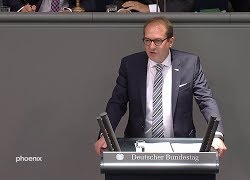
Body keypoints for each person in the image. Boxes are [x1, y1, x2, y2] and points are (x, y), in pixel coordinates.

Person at [94, 16, 227, 157]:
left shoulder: (190, 63)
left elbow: (206, 100)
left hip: (180, 146)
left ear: (170, 41)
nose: (151, 46)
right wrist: (105, 135)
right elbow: (117, 103)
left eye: (157, 41)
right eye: (147, 40)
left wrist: (217, 135)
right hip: (138, 146)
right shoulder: (130, 65)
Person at [102, 0, 195, 12]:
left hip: (174, 25)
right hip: (132, 25)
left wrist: (150, 9)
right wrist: (122, 9)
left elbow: (186, 3)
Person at [3, 0, 95, 12]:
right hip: (35, 27)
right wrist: (23, 8)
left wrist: (71, 11)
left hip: (68, 27)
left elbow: (91, 3)